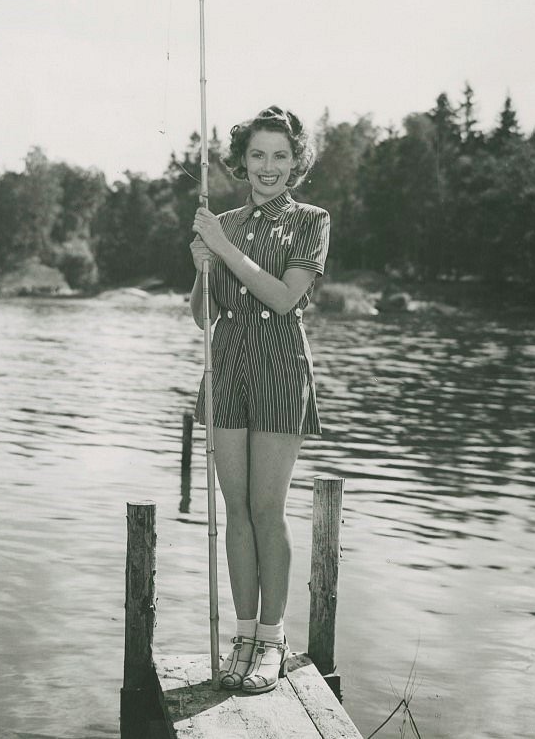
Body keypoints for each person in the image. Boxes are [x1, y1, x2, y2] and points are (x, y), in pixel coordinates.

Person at [189, 105, 330, 694]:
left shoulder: (311, 221)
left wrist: (222, 249)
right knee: (235, 510)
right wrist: (201, 269)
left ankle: (271, 640)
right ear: (241, 161)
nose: (268, 167)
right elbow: (204, 317)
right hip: (226, 371)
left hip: (278, 369)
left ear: (296, 162)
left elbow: (281, 299)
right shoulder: (221, 223)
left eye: (280, 156)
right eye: (257, 155)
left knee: (267, 511)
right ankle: (243, 636)